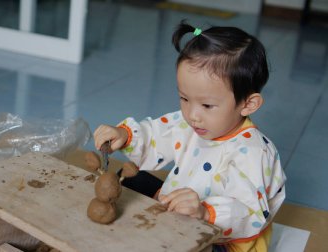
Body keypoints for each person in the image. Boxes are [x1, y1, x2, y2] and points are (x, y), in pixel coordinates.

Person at [94, 20, 286, 252]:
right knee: (131, 178)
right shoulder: (192, 123)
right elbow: (158, 133)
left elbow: (250, 213)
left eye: (207, 105)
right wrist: (125, 135)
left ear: (248, 104)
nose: (192, 115)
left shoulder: (255, 152)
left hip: (225, 239)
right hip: (183, 208)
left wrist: (206, 212)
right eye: (184, 99)